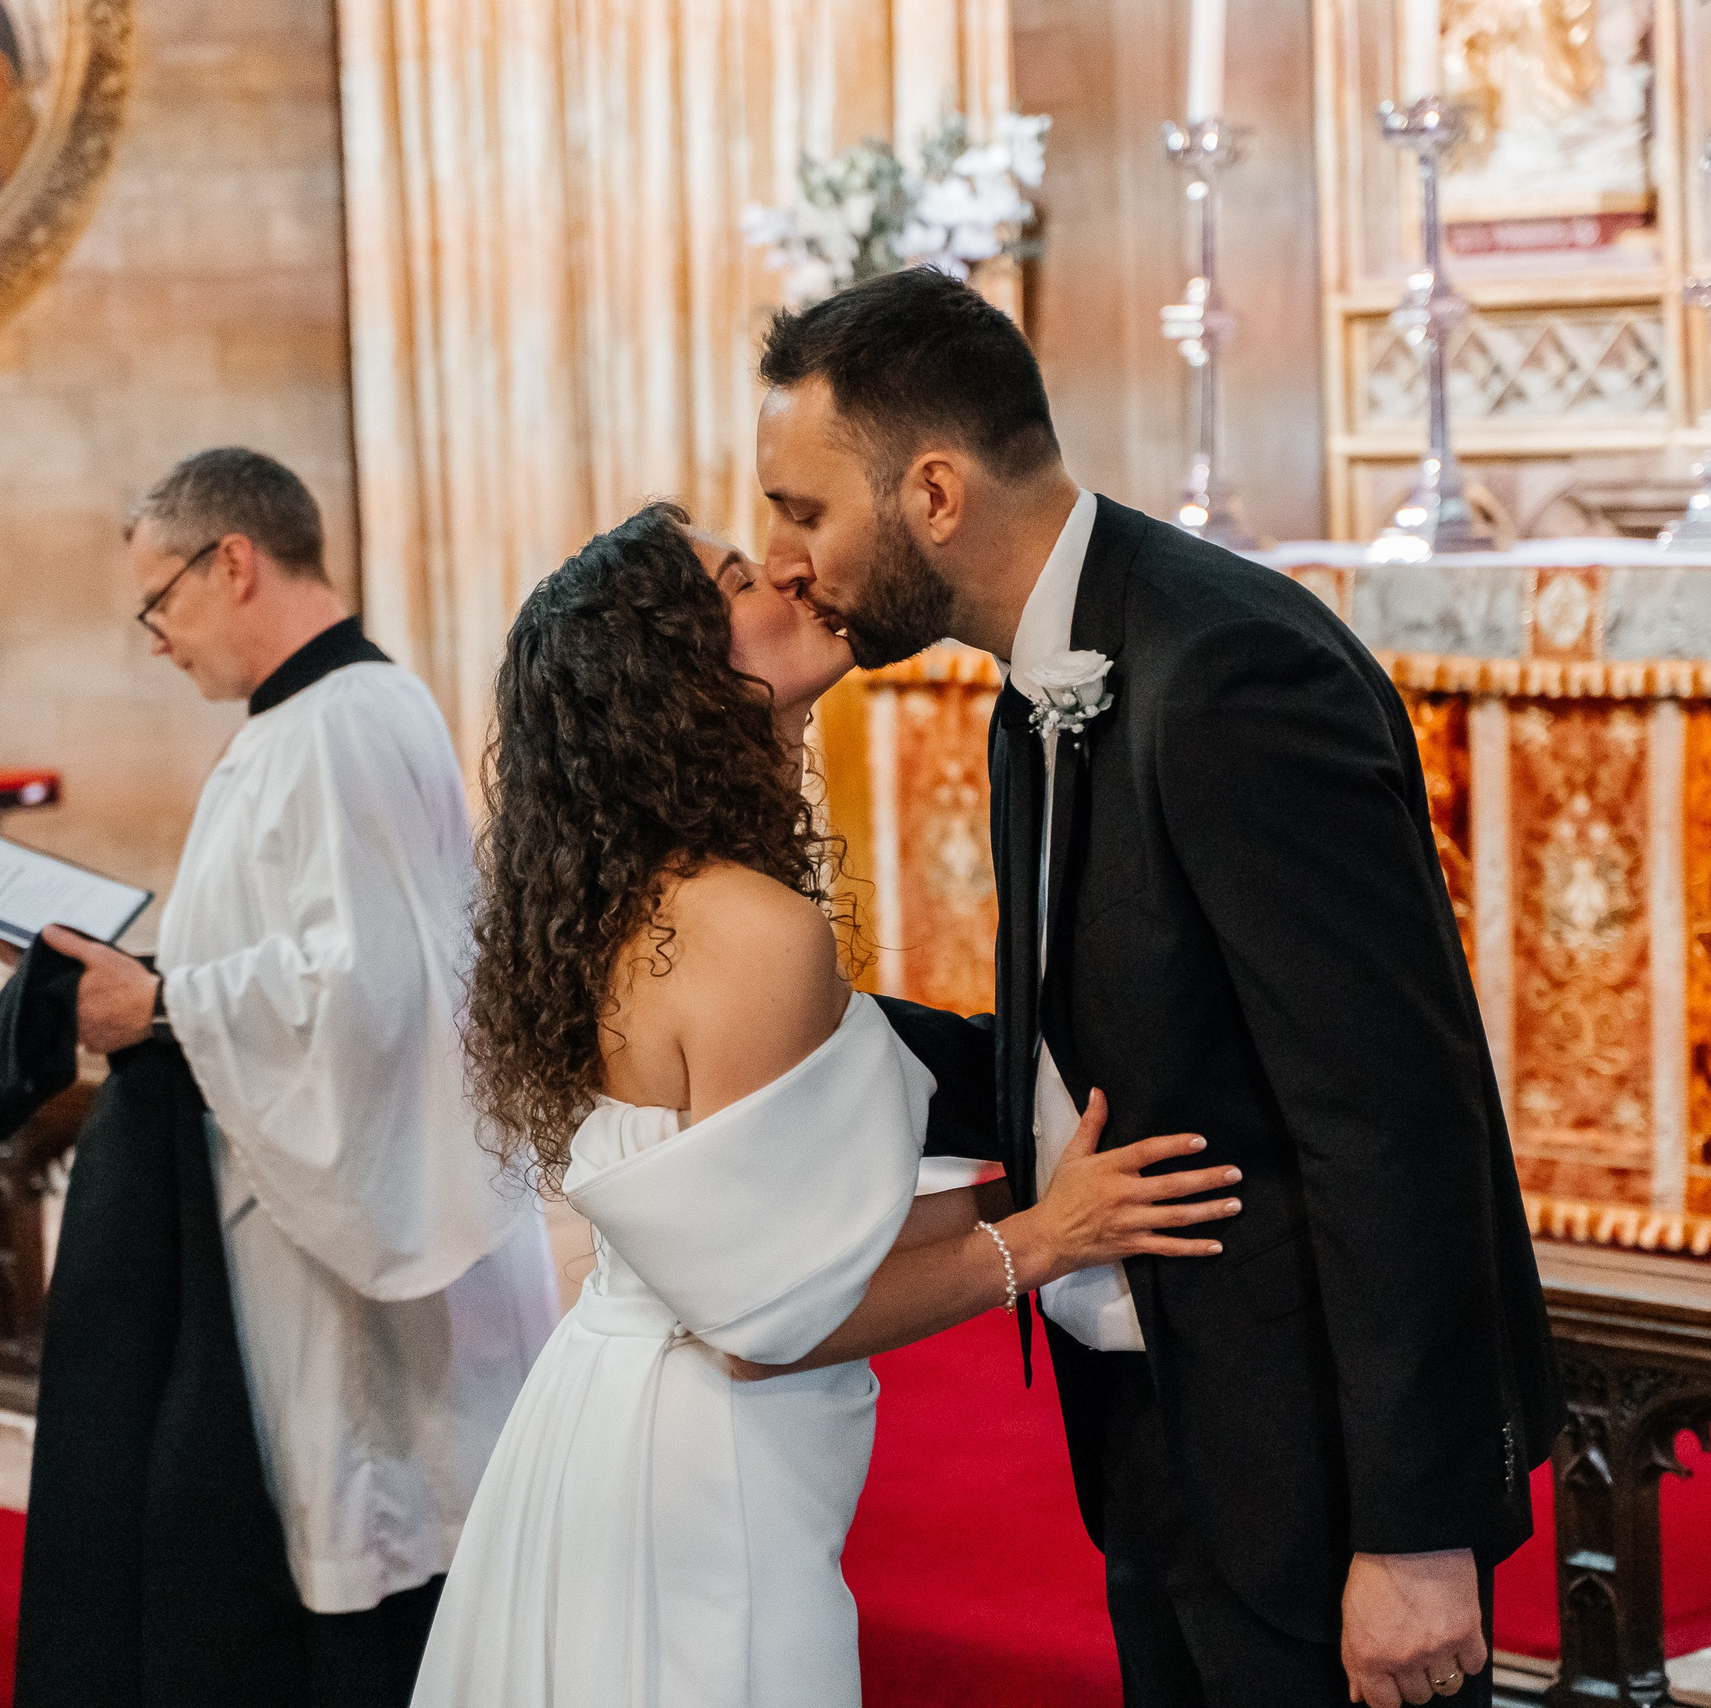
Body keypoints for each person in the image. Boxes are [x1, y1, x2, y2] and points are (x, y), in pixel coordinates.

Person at [753, 268, 1565, 1708]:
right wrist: (784, 1020)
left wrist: (1418, 1534)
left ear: (934, 492)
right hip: (1160, 1415)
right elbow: (1110, 1041)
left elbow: (1395, 1113)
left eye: (804, 510)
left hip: (1309, 1463)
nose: (788, 557)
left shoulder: (1230, 671)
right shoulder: (1039, 686)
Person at [410, 502, 1242, 1706]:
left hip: (602, 1415)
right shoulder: (752, 931)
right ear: (685, 677)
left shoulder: (641, 903)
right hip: (702, 1478)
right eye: (747, 578)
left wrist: (1029, 1173)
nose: (795, 581)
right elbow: (768, 1325)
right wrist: (1050, 1237)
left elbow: (771, 1243)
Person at [8, 448, 559, 1708]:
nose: (156, 640)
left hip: (348, 1244)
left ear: (235, 562)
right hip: (302, 1202)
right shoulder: (323, 717)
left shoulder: (336, 727)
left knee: (378, 1545)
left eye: (159, 603)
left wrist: (161, 1001)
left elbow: (364, 992)